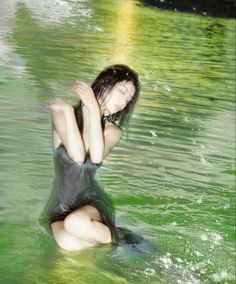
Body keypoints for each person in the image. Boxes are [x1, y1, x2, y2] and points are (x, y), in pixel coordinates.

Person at [40, 64, 142, 252]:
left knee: (75, 224)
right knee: (69, 244)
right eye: (122, 91)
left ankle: (117, 240)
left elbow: (93, 158)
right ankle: (114, 240)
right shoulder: (62, 112)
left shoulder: (113, 131)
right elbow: (77, 155)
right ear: (104, 83)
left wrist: (95, 111)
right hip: (60, 206)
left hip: (91, 203)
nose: (124, 101)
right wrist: (70, 113)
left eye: (129, 99)